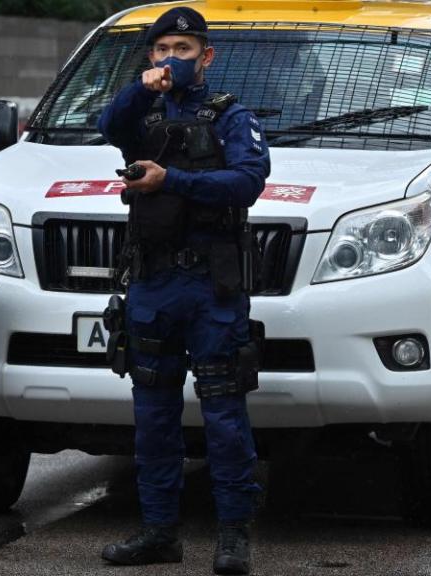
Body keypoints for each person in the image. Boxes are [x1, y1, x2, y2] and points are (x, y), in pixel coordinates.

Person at [96, 7, 270, 575]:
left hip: (210, 285)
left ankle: (233, 537)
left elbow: (247, 181)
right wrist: (136, 90)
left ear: (207, 57)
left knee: (223, 415)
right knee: (152, 416)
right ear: (150, 57)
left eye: (185, 49)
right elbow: (107, 127)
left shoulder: (230, 116)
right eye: (163, 48)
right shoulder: (139, 114)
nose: (172, 58)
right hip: (152, 282)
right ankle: (158, 533)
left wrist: (174, 181)